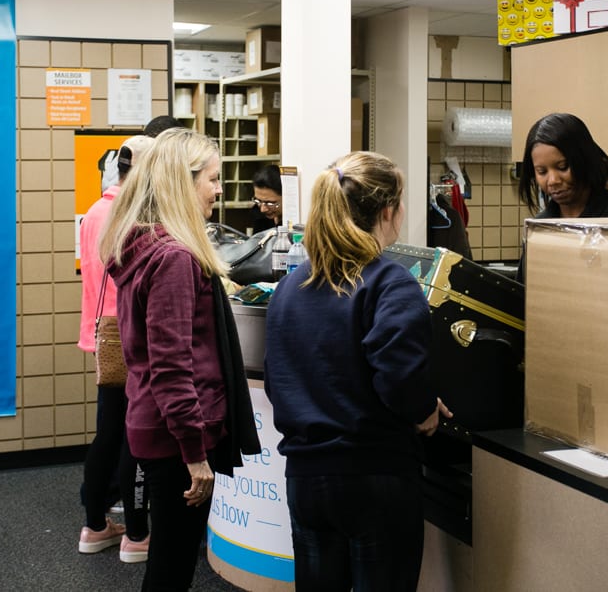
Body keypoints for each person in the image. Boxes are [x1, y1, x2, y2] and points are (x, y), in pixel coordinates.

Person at [263, 151, 452, 592]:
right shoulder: (390, 282)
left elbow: (278, 379)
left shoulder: (292, 285)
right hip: (375, 476)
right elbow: (399, 376)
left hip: (305, 480)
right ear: (389, 210)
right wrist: (423, 409)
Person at [101, 128, 260, 592]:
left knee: (168, 559)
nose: (218, 191)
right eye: (212, 179)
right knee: (172, 566)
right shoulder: (174, 258)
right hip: (177, 440)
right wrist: (195, 455)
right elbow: (173, 366)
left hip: (156, 425)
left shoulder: (144, 246)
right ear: (181, 182)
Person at [77, 134, 153, 563]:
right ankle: (138, 535)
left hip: (102, 335)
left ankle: (95, 525)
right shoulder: (134, 217)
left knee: (107, 433)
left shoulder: (94, 212)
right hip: (132, 337)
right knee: (134, 438)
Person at [516, 112, 608, 281]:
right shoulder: (539, 230)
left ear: (584, 160)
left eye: (563, 167)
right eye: (542, 172)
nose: (552, 180)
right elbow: (524, 297)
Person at [249, 164, 282, 232]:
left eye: (270, 203)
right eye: (258, 201)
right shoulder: (258, 215)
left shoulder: (296, 221)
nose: (262, 209)